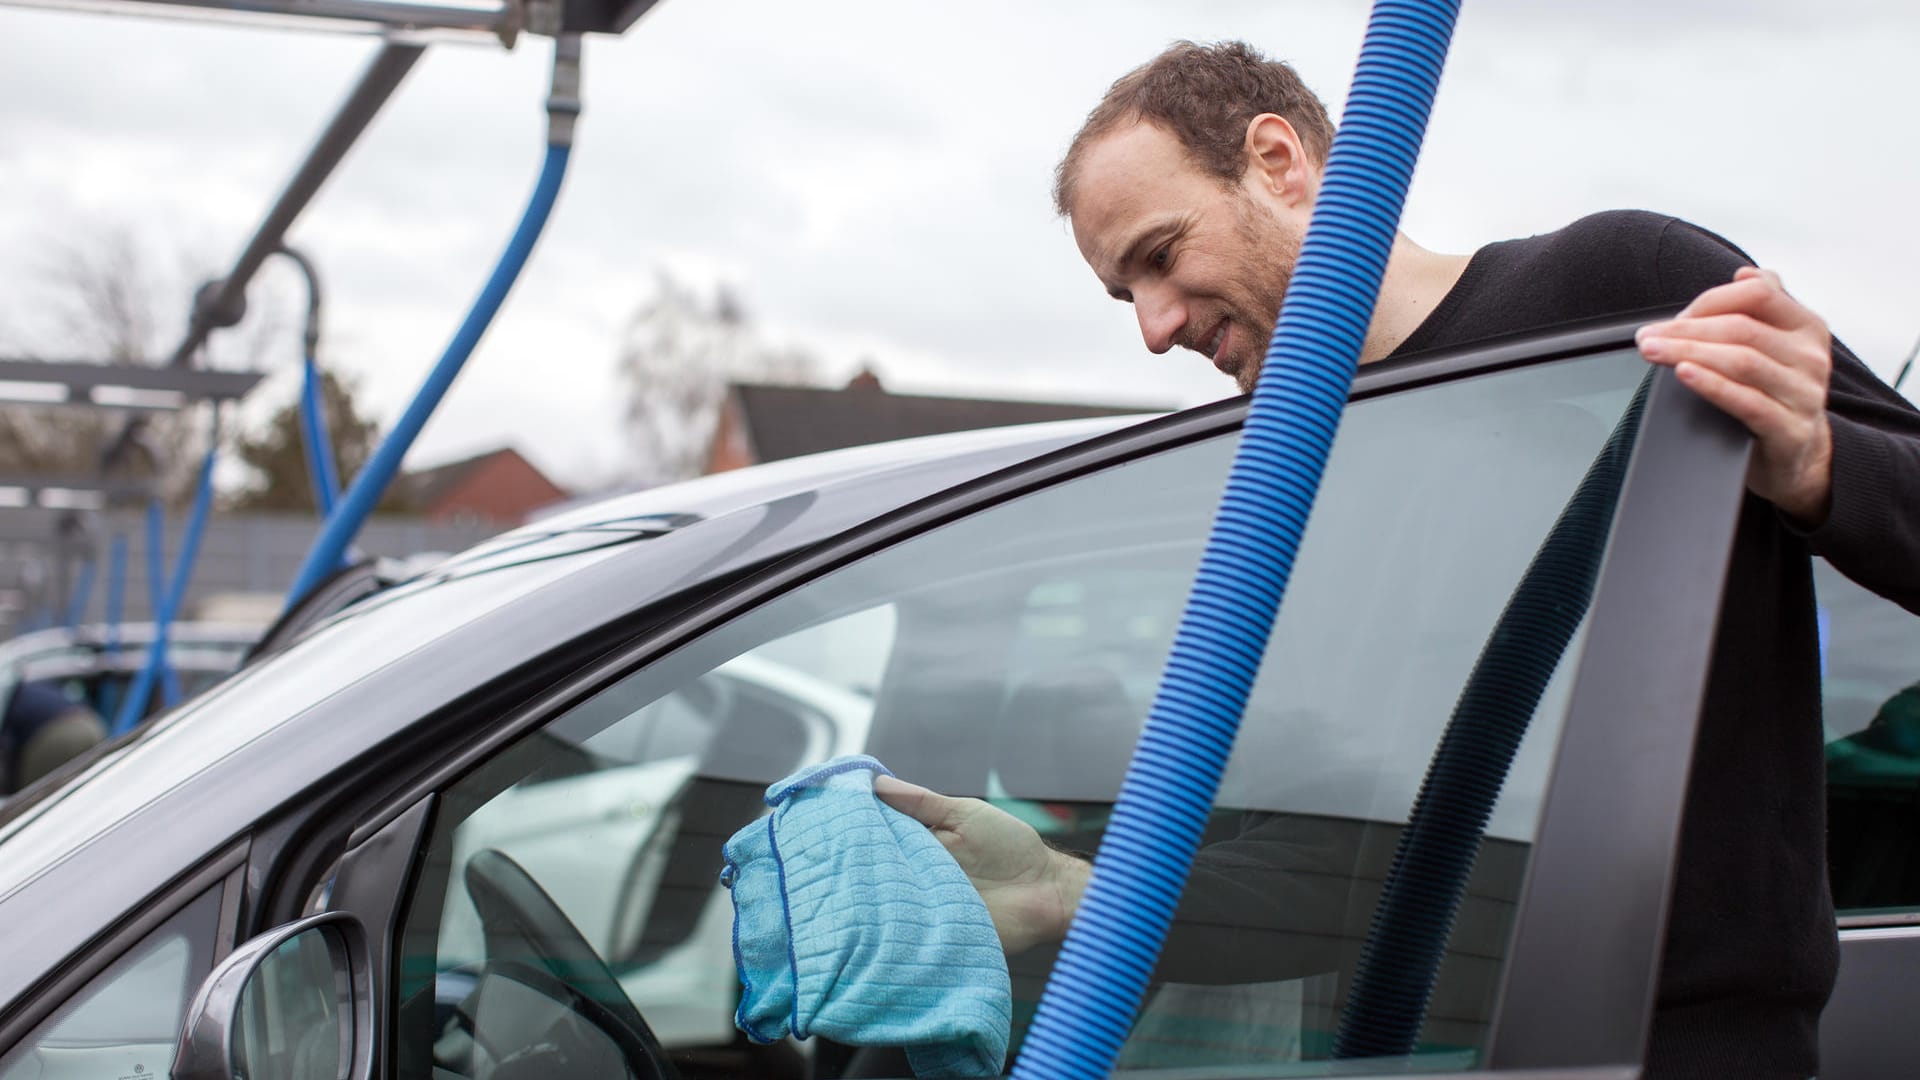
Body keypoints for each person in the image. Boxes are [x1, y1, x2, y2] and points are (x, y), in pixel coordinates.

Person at [875, 39, 1920, 1079]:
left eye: (1159, 255)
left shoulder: (1616, 290)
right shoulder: (1286, 483)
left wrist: (1821, 463)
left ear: (1278, 160)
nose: (1154, 330)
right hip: (1413, 1048)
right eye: (1125, 296)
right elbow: (1331, 871)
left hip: (1674, 1043)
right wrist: (1061, 887)